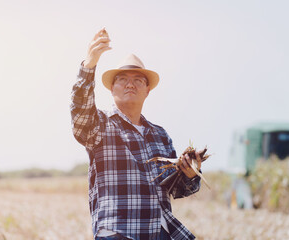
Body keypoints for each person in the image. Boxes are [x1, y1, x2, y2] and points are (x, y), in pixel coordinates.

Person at [71, 28, 202, 240]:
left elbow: (177, 189)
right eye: (122, 79)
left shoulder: (160, 135)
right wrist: (89, 65)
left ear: (147, 90)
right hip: (119, 231)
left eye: (138, 80)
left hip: (160, 230)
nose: (130, 84)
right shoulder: (100, 125)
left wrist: (190, 173)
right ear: (111, 88)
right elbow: (80, 113)